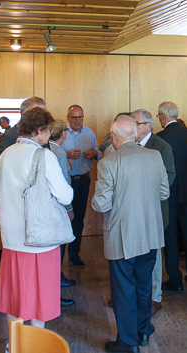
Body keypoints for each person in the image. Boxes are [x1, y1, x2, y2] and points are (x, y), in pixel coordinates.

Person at [0, 107, 73, 351]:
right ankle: (35, 346)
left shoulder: (6, 153)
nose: (50, 134)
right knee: (38, 298)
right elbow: (65, 193)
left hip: (11, 237)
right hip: (39, 238)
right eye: (49, 130)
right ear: (39, 130)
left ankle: (13, 344)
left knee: (14, 297)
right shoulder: (43, 156)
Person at [92, 116, 169, 353]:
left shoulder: (108, 162)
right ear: (135, 135)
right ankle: (143, 331)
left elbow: (101, 204)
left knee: (123, 289)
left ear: (114, 137)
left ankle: (127, 342)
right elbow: (164, 192)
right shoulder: (155, 156)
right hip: (150, 234)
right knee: (144, 285)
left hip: (122, 236)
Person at [132, 109, 175, 316]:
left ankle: (154, 297)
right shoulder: (129, 145)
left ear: (149, 125)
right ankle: (133, 294)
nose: (133, 127)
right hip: (132, 210)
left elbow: (169, 177)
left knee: (154, 255)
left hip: (154, 210)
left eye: (137, 123)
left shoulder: (161, 147)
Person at [156, 101, 187, 291]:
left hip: (170, 192)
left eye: (159, 116)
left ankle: (175, 279)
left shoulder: (160, 138)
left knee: (171, 235)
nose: (159, 119)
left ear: (164, 116)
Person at [62, 104, 100, 269]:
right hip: (65, 182)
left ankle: (74, 255)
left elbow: (99, 152)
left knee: (78, 219)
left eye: (80, 117)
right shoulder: (61, 134)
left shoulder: (89, 133)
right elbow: (50, 153)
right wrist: (66, 155)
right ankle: (58, 257)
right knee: (63, 219)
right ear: (68, 118)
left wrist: (94, 153)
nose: (78, 121)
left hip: (83, 181)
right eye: (74, 117)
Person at [49, 119, 76, 289]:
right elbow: (64, 183)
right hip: (59, 205)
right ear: (63, 133)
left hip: (47, 204)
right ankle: (56, 278)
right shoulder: (59, 153)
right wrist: (69, 209)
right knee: (59, 244)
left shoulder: (44, 148)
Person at [0, 96, 47, 166]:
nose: (44, 118)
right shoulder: (8, 137)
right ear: (25, 114)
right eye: (39, 114)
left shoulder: (43, 134)